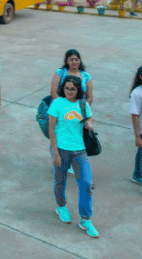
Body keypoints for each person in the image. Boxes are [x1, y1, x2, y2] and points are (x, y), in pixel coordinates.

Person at [48, 76, 98, 238]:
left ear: (78, 90)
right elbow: (51, 129)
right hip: (61, 149)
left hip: (80, 150)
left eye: (73, 89)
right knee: (60, 180)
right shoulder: (58, 103)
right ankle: (61, 207)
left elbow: (89, 117)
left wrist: (90, 123)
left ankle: (85, 219)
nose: (69, 91)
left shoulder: (82, 104)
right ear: (63, 89)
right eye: (67, 88)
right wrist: (55, 153)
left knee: (86, 183)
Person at [130, 65, 142, 199]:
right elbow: (134, 116)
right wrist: (138, 137)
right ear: (141, 77)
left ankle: (137, 175)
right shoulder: (137, 93)